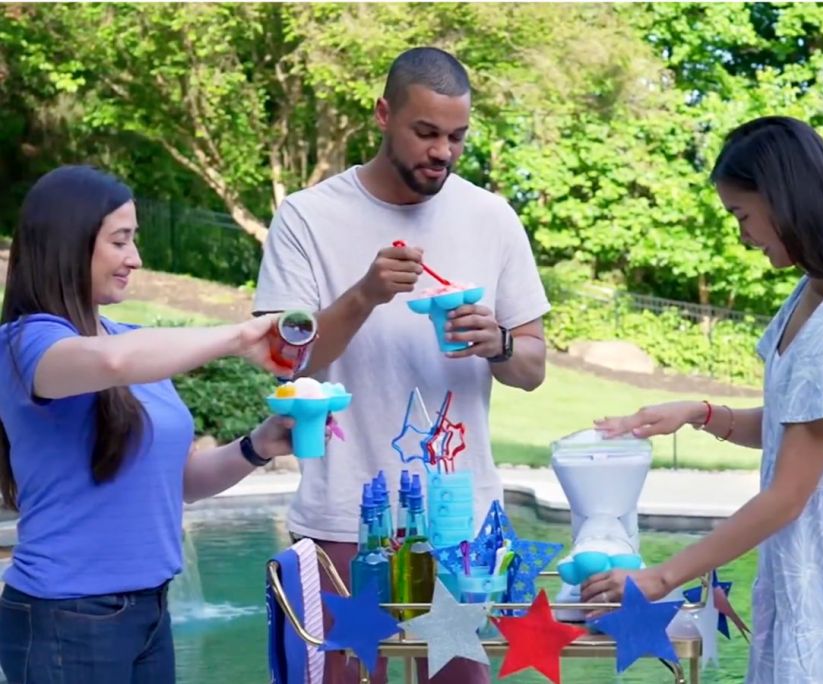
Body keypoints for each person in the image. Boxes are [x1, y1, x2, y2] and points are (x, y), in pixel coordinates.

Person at [254, 47, 549, 683]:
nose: (442, 150)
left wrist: (497, 341)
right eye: (426, 132)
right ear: (384, 114)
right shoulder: (308, 216)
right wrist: (364, 295)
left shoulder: (492, 218)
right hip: (342, 517)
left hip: (460, 527)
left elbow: (533, 366)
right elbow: (285, 360)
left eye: (457, 137)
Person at [584, 116, 823, 683]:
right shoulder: (810, 295)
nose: (742, 234)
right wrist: (698, 413)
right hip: (810, 566)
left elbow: (788, 494)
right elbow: (801, 427)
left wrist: (661, 577)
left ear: (784, 200)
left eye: (742, 215)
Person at [0, 165, 298, 684]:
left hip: (147, 611)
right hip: (67, 617)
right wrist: (239, 335)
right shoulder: (25, 345)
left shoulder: (131, 341)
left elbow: (182, 483)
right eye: (120, 241)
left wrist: (259, 445)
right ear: (70, 243)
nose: (135, 259)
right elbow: (111, 364)